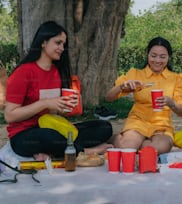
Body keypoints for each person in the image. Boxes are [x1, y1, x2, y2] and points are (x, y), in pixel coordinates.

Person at [5, 21, 113, 161]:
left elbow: (56, 113)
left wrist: (68, 106)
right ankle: (84, 151)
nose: (62, 48)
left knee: (103, 127)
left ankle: (53, 151)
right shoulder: (23, 72)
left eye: (63, 44)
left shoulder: (57, 72)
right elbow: (10, 116)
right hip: (25, 134)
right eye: (58, 43)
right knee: (49, 136)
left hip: (54, 127)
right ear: (43, 42)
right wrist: (44, 103)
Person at [105, 36, 182, 154]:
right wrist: (122, 87)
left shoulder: (177, 78)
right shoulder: (135, 74)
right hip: (137, 121)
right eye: (153, 56)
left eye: (162, 57)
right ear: (147, 55)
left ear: (169, 57)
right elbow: (108, 97)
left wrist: (171, 103)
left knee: (157, 149)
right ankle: (116, 138)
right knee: (127, 149)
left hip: (162, 125)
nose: (157, 60)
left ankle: (143, 143)